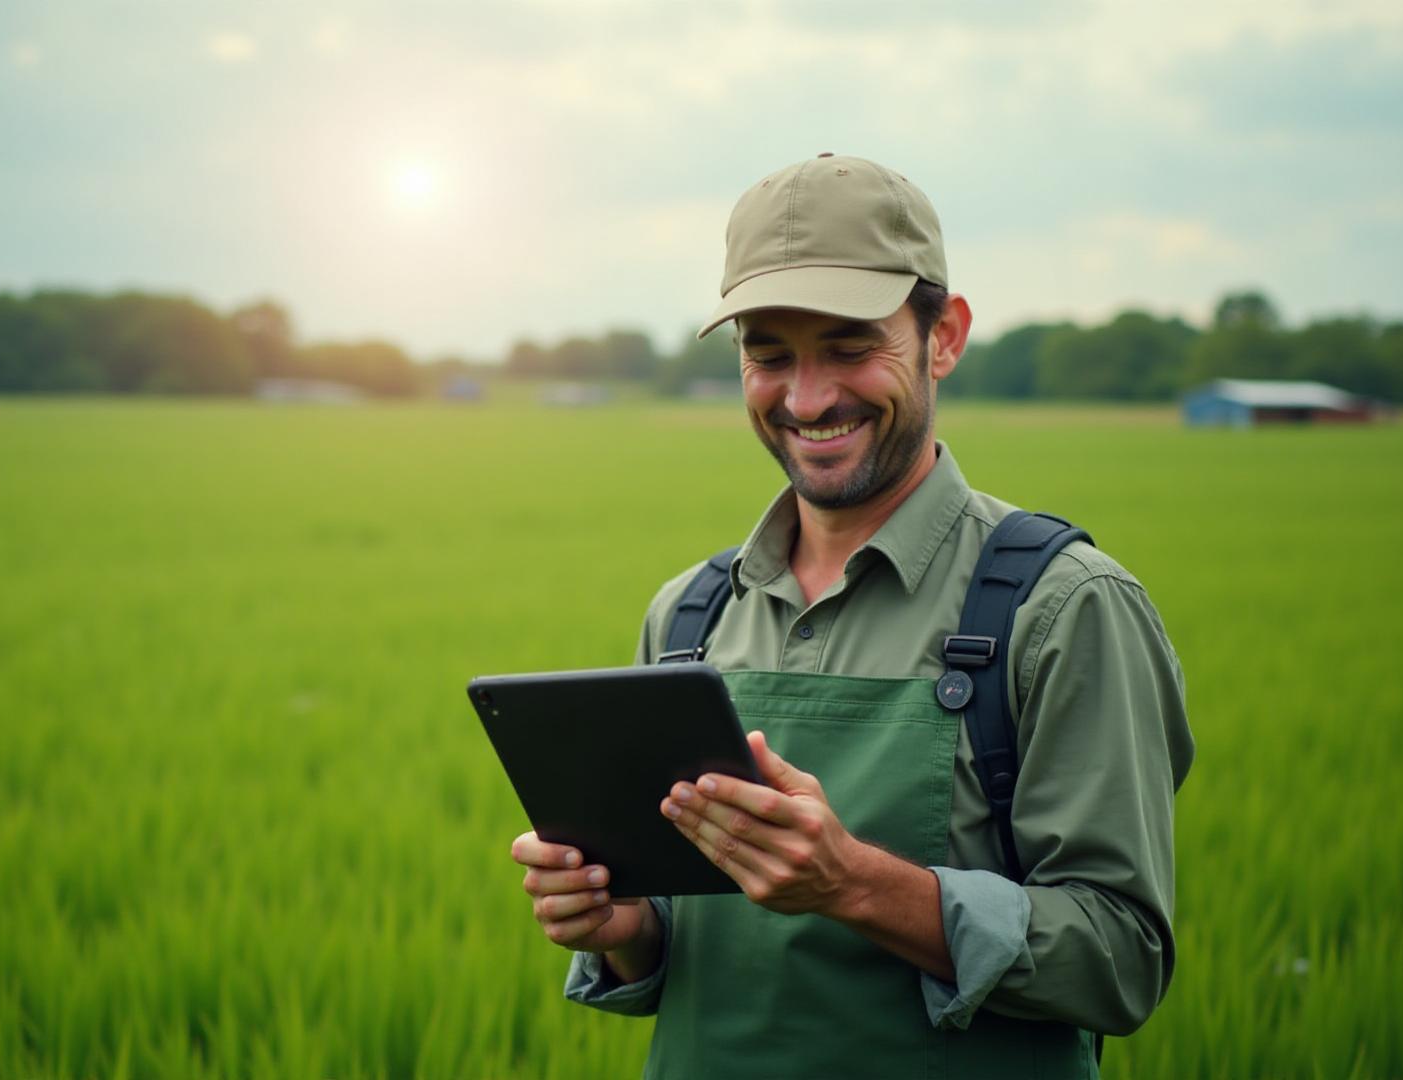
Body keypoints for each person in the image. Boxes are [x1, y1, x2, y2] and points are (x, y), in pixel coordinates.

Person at [509, 154, 1194, 1078]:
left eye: (848, 346)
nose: (807, 397)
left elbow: (1121, 961)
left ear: (942, 336)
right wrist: (624, 926)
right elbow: (692, 958)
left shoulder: (1064, 608)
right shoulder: (690, 618)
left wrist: (855, 885)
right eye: (769, 354)